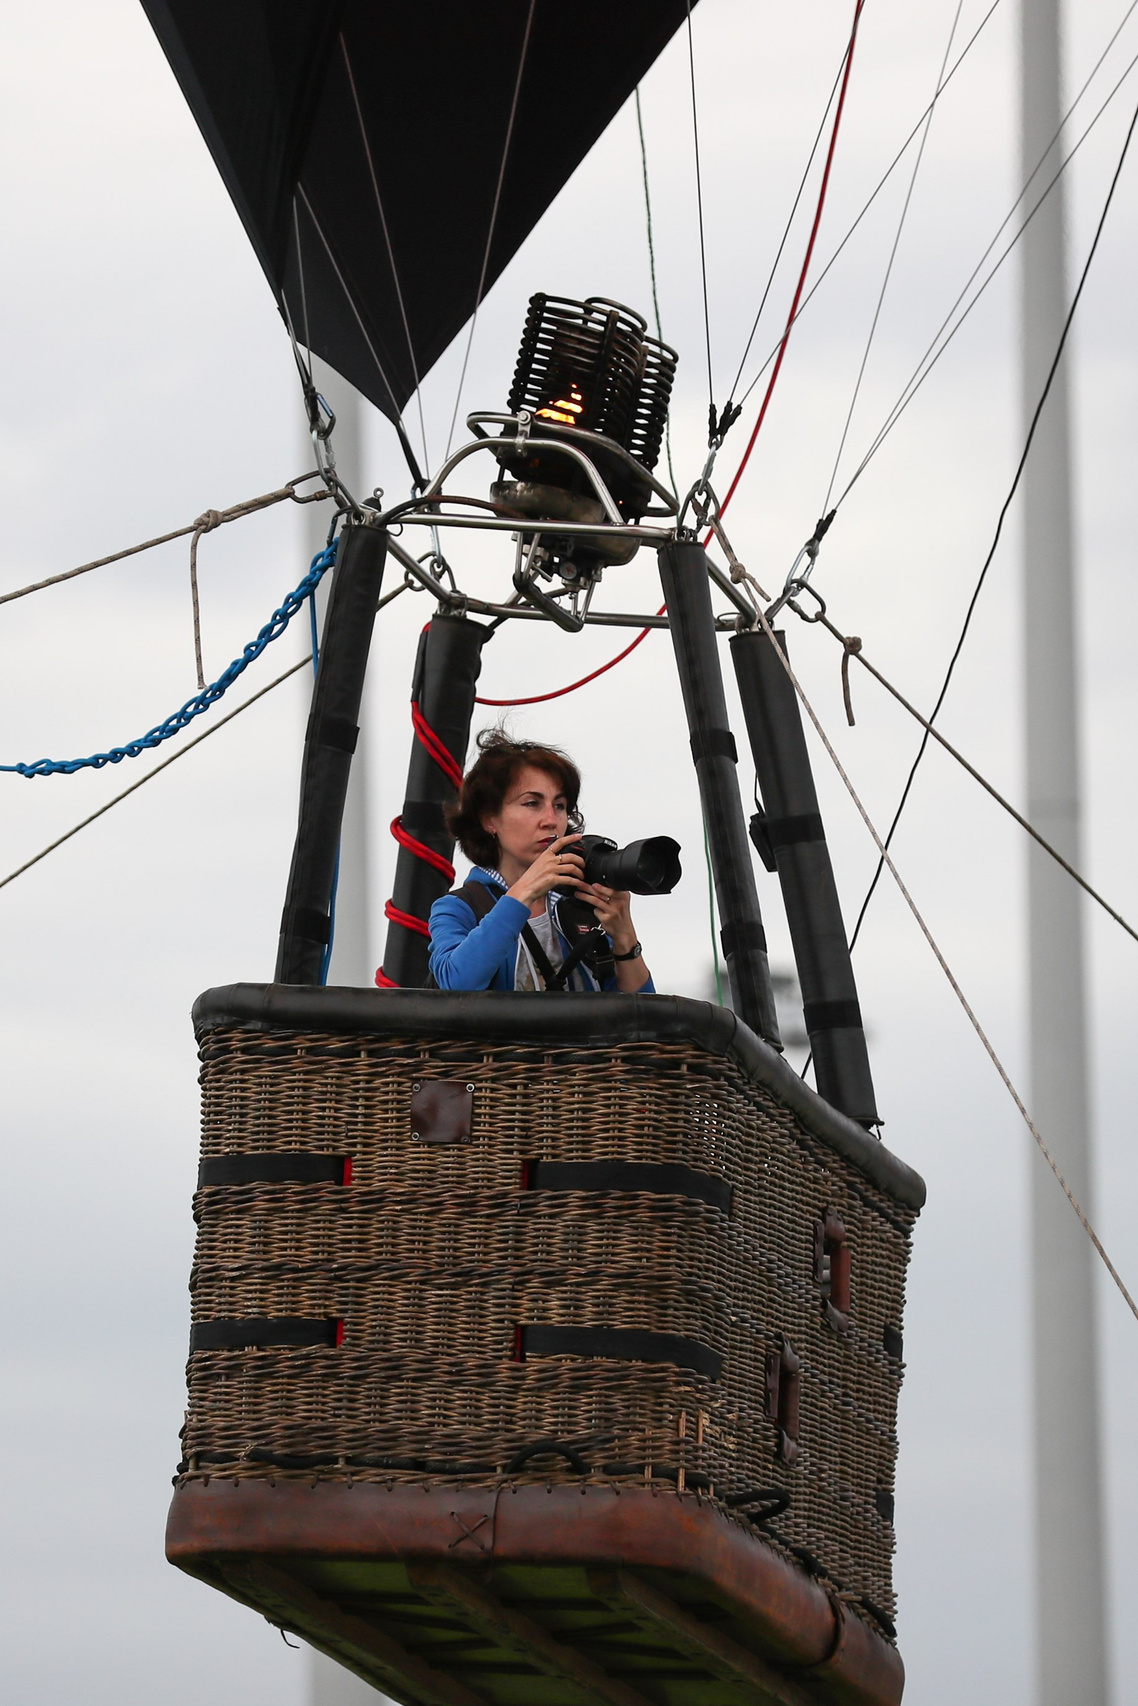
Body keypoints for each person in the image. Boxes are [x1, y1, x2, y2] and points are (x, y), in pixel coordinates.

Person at [428, 731, 655, 994]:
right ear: (489, 820)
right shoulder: (458, 907)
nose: (551, 820)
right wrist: (523, 893)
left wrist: (625, 937)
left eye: (559, 805)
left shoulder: (582, 904)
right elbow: (456, 983)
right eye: (532, 803)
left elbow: (640, 1018)